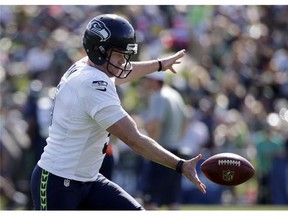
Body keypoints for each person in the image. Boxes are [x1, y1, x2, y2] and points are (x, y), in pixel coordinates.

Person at [30, 13, 206, 210]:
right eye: (119, 55)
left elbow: (123, 71)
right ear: (100, 51)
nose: (123, 61)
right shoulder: (93, 85)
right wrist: (180, 165)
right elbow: (134, 139)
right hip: (58, 181)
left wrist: (159, 65)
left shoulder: (87, 67)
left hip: (88, 179)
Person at [140, 71, 190, 210]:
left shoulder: (158, 97)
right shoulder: (176, 95)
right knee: (172, 200)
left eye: (149, 79)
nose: (146, 82)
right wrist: (177, 139)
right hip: (176, 151)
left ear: (155, 81)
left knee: (150, 200)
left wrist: (149, 148)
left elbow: (156, 124)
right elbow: (185, 123)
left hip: (161, 152)